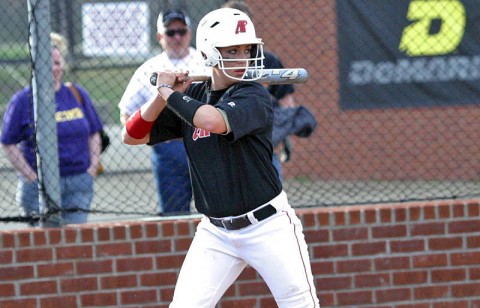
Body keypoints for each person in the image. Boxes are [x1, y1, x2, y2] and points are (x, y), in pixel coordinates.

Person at [122, 8, 319, 307]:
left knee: (300, 304)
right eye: (232, 51)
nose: (242, 58)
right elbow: (133, 135)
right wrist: (162, 95)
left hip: (267, 226)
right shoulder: (193, 95)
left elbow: (211, 121)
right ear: (208, 52)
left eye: (246, 50)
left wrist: (170, 94)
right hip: (215, 232)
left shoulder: (254, 95)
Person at [0, 32, 103, 226]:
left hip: (78, 182)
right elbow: (7, 142)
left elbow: (94, 132)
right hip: (40, 186)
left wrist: (93, 167)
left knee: (76, 240)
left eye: (57, 63)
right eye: (47, 63)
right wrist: (30, 176)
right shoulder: (22, 101)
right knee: (47, 244)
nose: (53, 69)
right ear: (36, 65)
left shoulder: (76, 94)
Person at [118, 9, 208, 215]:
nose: (177, 37)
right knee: (174, 214)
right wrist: (152, 136)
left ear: (190, 33)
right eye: (170, 32)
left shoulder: (204, 62)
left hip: (204, 142)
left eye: (181, 31)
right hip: (169, 149)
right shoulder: (148, 69)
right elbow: (126, 113)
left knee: (215, 208)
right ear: (160, 36)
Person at [223, 0, 316, 181]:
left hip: (262, 146)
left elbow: (287, 105)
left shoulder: (267, 61)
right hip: (227, 147)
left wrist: (281, 134)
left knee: (271, 199)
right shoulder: (213, 63)